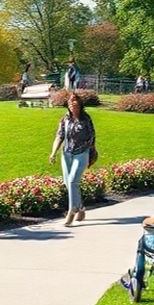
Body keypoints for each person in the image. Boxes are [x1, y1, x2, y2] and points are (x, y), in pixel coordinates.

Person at [50, 93, 96, 226]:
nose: (72, 105)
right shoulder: (65, 119)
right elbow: (59, 136)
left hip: (82, 153)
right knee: (68, 183)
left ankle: (72, 211)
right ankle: (81, 208)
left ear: (80, 104)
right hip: (67, 154)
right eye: (70, 103)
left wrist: (90, 152)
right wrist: (53, 152)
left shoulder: (86, 119)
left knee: (72, 181)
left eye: (75, 102)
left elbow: (92, 137)